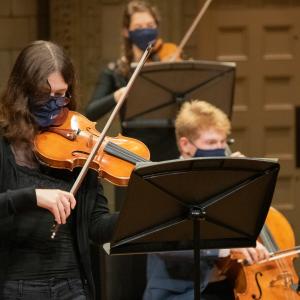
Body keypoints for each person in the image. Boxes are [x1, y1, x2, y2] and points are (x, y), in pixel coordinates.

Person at [0, 40, 118, 300]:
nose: (55, 103)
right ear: (24, 92)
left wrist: (136, 216)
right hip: (15, 288)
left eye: (61, 94)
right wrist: (33, 196)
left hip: (72, 287)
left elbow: (97, 227)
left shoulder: (77, 147)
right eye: (45, 95)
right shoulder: (4, 144)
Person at [143, 100, 270, 300]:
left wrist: (243, 183)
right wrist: (224, 249)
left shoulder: (224, 180)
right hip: (178, 293)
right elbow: (163, 245)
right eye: (211, 143)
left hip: (228, 287)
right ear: (185, 145)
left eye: (223, 142)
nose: (220, 149)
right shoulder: (164, 182)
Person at [86, 0, 179, 161]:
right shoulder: (115, 71)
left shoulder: (169, 64)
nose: (145, 31)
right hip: (131, 155)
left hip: (169, 152)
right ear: (126, 32)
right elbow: (91, 112)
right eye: (139, 28)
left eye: (150, 26)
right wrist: (117, 95)